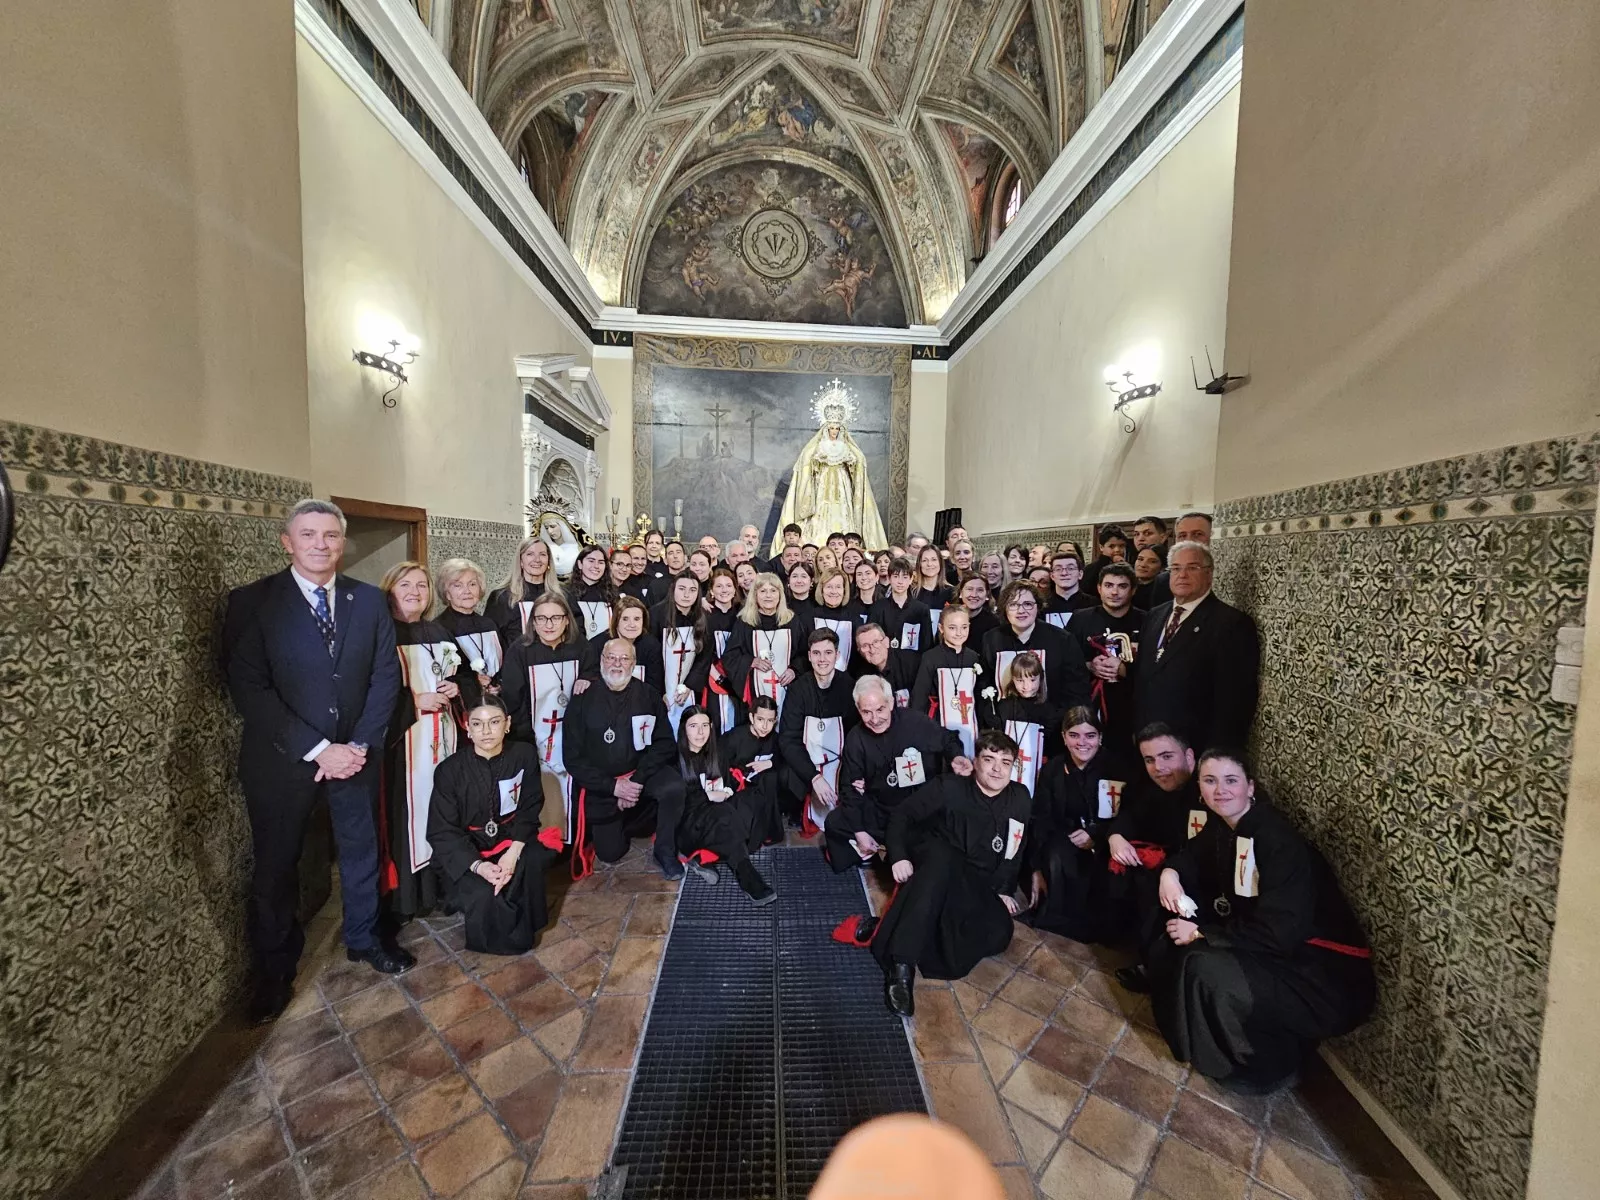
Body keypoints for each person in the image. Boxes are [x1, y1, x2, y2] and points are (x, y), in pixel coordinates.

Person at [223, 499, 408, 1022]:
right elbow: (248, 687)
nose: (321, 544)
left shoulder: (368, 601)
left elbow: (383, 679)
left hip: (356, 755)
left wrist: (359, 747)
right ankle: (275, 974)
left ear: (341, 542)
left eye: (330, 535)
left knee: (360, 850)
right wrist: (318, 748)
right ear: (288, 541)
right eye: (309, 535)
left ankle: (364, 937)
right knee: (277, 866)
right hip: (283, 761)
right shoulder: (253, 602)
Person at [1143, 749, 1375, 1092]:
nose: (1220, 789)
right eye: (1210, 781)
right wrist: (1170, 875)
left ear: (1250, 787)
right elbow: (1192, 856)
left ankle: (1259, 1062)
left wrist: (1203, 933)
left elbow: (1280, 931)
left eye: (1231, 780)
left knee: (1205, 966)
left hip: (1320, 973)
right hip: (1272, 949)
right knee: (1169, 938)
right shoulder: (1223, 827)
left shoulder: (1277, 841)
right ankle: (1201, 1043)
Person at [864, 731, 1031, 1016]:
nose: (997, 769)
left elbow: (1015, 847)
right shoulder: (948, 786)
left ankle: (896, 922)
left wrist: (1004, 889)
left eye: (1005, 762)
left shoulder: (1020, 797)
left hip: (973, 882)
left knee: (999, 933)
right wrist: (900, 857)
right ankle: (901, 966)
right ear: (974, 761)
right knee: (941, 858)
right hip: (937, 866)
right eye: (988, 759)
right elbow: (902, 816)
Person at [427, 696, 561, 955]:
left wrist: (511, 855)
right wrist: (481, 866)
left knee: (529, 862)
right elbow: (442, 830)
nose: (486, 731)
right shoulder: (449, 771)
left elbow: (530, 806)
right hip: (469, 850)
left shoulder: (523, 755)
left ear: (507, 724)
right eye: (478, 724)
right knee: (484, 893)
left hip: (511, 839)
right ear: (468, 727)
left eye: (494, 722)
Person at [379, 561, 463, 923]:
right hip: (405, 745)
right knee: (408, 813)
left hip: (442, 738)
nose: (415, 592)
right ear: (389, 590)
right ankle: (409, 897)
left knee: (445, 809)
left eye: (422, 586)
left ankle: (442, 887)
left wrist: (456, 688)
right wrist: (414, 702)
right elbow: (369, 694)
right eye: (406, 585)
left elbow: (464, 679)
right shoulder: (380, 634)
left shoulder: (440, 632)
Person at [563, 638, 686, 879]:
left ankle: (665, 850)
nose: (617, 664)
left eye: (624, 658)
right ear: (601, 661)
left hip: (640, 776)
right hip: (604, 786)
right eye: (611, 657)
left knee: (673, 787)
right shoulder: (582, 699)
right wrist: (615, 787)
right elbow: (573, 758)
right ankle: (625, 816)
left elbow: (664, 744)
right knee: (611, 853)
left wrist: (637, 781)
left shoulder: (648, 695)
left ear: (633, 663)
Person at [823, 674, 969, 873]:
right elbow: (849, 788)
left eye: (880, 709)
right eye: (866, 712)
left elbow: (948, 740)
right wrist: (859, 832)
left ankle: (889, 853)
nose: (875, 719)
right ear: (858, 709)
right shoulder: (856, 738)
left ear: (891, 703)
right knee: (834, 822)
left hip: (917, 810)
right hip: (882, 808)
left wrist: (956, 757)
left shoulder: (915, 722)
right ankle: (880, 851)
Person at [1132, 541, 1261, 752]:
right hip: (1148, 741)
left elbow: (1234, 700)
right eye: (1176, 568)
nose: (1182, 575)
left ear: (1209, 574)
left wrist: (1216, 754)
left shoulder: (1230, 623)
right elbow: (1146, 676)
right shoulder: (1155, 615)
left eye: (1192, 568)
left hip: (1194, 745)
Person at [1027, 707, 1130, 942]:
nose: (1082, 743)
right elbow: (1042, 818)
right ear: (1063, 737)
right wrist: (1036, 868)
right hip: (1066, 842)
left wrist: (1098, 833)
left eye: (1090, 736)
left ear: (1100, 737)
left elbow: (1128, 814)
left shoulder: (1117, 768)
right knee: (1055, 852)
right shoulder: (1053, 769)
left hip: (1106, 841)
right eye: (1074, 735)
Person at [499, 593, 587, 841]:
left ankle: (573, 841)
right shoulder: (520, 651)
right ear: (533, 622)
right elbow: (513, 698)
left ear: (567, 621)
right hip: (533, 736)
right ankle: (545, 842)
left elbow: (591, 678)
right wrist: (529, 736)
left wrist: (586, 680)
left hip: (573, 736)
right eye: (542, 618)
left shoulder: (580, 647)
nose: (549, 624)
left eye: (556, 618)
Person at [674, 706, 779, 903]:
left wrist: (725, 792)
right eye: (693, 726)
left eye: (705, 725)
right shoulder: (676, 758)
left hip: (718, 811)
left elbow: (727, 783)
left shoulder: (716, 752)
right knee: (724, 815)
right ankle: (747, 876)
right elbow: (686, 800)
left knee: (750, 799)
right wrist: (712, 796)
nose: (700, 732)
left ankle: (717, 854)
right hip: (692, 823)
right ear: (684, 729)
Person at [779, 628, 861, 833]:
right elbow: (789, 739)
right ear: (809, 656)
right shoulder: (798, 689)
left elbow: (856, 736)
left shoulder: (849, 686)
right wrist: (814, 776)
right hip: (808, 762)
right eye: (816, 653)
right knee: (784, 775)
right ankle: (798, 812)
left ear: (837, 655)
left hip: (840, 762)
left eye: (828, 652)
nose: (822, 659)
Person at [1067, 562, 1144, 763]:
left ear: (1133, 589)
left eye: (1122, 586)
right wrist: (1090, 666)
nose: (1115, 592)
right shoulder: (1080, 619)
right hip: (1090, 707)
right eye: (1109, 585)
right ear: (1099, 588)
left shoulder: (1147, 621)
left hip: (1131, 710)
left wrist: (1123, 668)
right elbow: (1066, 662)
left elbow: (1155, 668)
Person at [981, 581, 1092, 710]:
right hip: (1005, 722)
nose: (1020, 610)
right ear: (1005, 609)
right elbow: (984, 684)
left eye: (1027, 604)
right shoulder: (991, 639)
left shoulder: (1063, 640)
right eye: (1013, 605)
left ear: (1038, 606)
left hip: (1053, 721)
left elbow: (1077, 688)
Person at [976, 649, 1057, 795]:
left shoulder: (1048, 710)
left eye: (1032, 680)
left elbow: (1051, 746)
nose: (1027, 686)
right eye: (1020, 680)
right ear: (1013, 679)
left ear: (1041, 679)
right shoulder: (1004, 706)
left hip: (1038, 771)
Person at [910, 607, 983, 758]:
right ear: (941, 628)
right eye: (952, 628)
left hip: (967, 718)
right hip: (938, 719)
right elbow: (919, 696)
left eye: (964, 627)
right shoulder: (930, 657)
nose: (959, 633)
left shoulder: (974, 657)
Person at [723, 572, 798, 718]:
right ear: (755, 595)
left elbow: (802, 653)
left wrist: (794, 670)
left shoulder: (792, 621)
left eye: (773, 591)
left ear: (780, 595)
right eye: (762, 591)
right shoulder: (744, 622)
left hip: (787, 691)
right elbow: (730, 656)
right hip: (754, 692)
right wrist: (751, 661)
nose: (768, 596)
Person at [435, 557, 502, 713]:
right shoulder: (439, 628)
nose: (467, 591)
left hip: (494, 703)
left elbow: (502, 664)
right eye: (457, 585)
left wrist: (497, 684)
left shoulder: (489, 624)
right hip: (460, 709)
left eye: (472, 584)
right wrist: (473, 683)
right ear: (447, 593)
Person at [722, 695, 784, 846]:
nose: (765, 726)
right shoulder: (734, 737)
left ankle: (771, 831)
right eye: (761, 719)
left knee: (771, 777)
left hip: (763, 789)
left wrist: (770, 763)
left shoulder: (776, 739)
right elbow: (720, 762)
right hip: (738, 789)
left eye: (770, 721)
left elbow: (789, 757)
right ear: (751, 717)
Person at [655, 573, 711, 734]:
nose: (687, 595)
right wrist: (661, 691)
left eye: (693, 590)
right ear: (673, 589)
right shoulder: (656, 615)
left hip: (690, 690)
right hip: (661, 688)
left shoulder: (703, 618)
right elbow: (652, 657)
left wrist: (689, 686)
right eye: (682, 589)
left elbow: (704, 658)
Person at [581, 595, 665, 696]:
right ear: (616, 621)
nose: (632, 624)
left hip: (640, 701)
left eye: (637, 619)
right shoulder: (596, 645)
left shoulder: (652, 645)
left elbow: (655, 687)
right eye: (625, 619)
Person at [485, 536, 556, 646]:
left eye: (542, 554)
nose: (537, 559)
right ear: (521, 561)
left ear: (549, 562)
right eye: (530, 554)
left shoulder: (562, 596)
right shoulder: (501, 597)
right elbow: (492, 640)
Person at [702, 567, 743, 732]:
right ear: (711, 590)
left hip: (738, 679)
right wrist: (718, 677)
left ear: (735, 590)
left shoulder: (743, 615)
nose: (724, 590)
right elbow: (702, 652)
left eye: (728, 585)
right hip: (713, 678)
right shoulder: (705, 616)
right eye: (719, 586)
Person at [871, 556, 932, 654]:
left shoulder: (921, 609)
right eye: (895, 576)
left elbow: (926, 644)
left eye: (905, 577)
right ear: (889, 578)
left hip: (913, 664)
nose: (900, 582)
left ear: (911, 579)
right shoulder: (878, 607)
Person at [849, 622, 918, 707]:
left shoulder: (911, 663)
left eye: (876, 642)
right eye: (865, 646)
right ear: (859, 651)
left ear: (887, 642)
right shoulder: (862, 675)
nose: (872, 650)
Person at [807, 567, 857, 669]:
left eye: (838, 587)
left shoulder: (854, 619)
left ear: (844, 590)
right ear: (821, 590)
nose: (834, 591)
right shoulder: (809, 617)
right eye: (829, 586)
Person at [570, 545, 615, 640]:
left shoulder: (612, 593)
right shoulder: (566, 592)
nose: (596, 566)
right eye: (591, 561)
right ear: (580, 564)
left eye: (601, 562)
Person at [1042, 551, 1093, 627]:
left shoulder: (1094, 605)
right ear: (1052, 576)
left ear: (1080, 574)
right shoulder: (1042, 606)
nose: (1064, 573)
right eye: (1058, 569)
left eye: (1070, 568)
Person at [956, 573, 1001, 644]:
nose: (974, 595)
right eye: (969, 589)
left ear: (987, 595)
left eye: (980, 590)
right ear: (961, 593)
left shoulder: (994, 624)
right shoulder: (949, 618)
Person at [1083, 526, 1129, 594]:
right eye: (1112, 546)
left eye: (1121, 546)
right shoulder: (1090, 570)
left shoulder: (1129, 568)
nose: (1117, 550)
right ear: (1101, 547)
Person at [913, 545, 952, 611]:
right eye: (924, 560)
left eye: (934, 560)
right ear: (919, 564)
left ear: (940, 563)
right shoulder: (911, 592)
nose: (929, 564)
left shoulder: (952, 592)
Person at [1132, 546, 1166, 611]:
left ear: (1162, 567)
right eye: (1140, 559)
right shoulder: (1127, 586)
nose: (1143, 565)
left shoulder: (1163, 592)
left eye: (1152, 561)